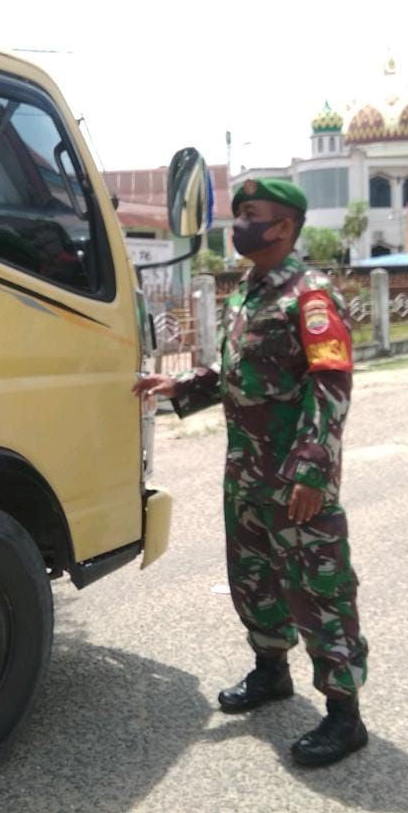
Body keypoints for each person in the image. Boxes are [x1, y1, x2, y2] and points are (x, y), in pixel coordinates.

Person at [133, 178, 369, 767]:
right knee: (254, 578)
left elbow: (331, 384)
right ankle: (271, 671)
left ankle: (344, 714)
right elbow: (237, 372)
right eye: (237, 214)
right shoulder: (247, 293)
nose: (240, 225)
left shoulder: (310, 297)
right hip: (245, 473)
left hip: (294, 479)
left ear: (284, 227)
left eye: (251, 214)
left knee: (318, 588)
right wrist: (180, 385)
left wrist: (311, 471)